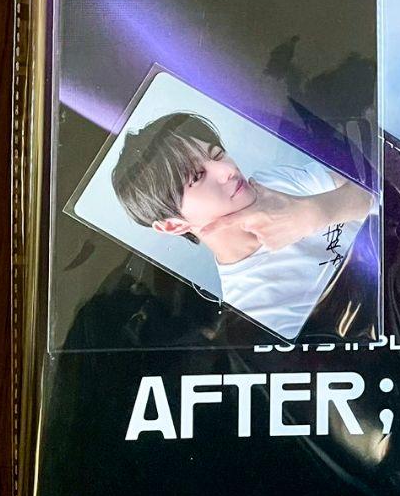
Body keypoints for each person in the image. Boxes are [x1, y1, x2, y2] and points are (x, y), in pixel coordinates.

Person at [111, 112, 373, 339]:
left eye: (217, 154)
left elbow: (377, 187)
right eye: (197, 176)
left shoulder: (270, 184)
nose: (227, 170)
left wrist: (313, 212)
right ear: (172, 225)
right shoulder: (253, 307)